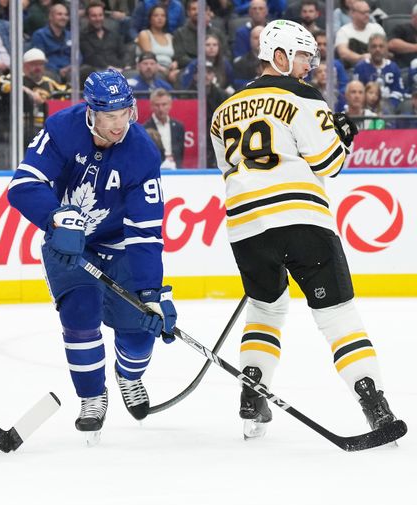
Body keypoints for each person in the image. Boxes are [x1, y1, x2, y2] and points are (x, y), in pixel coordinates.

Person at [209, 20, 399, 441]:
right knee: (337, 315)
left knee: (266, 310)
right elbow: (329, 162)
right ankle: (374, 403)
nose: (308, 66)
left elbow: (228, 167)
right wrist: (344, 137)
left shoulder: (222, 111)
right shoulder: (303, 97)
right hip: (301, 220)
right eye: (302, 56)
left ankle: (251, 395)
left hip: (245, 227)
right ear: (278, 55)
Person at [7, 70, 177, 441]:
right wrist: (56, 218)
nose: (120, 125)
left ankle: (129, 376)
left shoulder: (142, 152)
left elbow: (146, 232)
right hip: (70, 244)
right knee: (79, 312)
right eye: (110, 117)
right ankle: (92, 396)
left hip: (120, 245)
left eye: (125, 114)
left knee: (139, 330)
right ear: (91, 112)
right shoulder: (61, 129)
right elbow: (23, 185)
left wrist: (151, 293)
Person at [0, 48, 68, 138]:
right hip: (21, 127)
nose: (38, 67)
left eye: (40, 64)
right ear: (24, 65)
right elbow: (0, 83)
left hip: (46, 126)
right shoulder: (15, 77)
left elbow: (67, 92)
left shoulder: (49, 82)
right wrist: (29, 92)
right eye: (33, 64)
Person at [353, 34, 405, 112]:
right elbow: (356, 91)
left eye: (381, 46)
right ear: (369, 49)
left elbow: (399, 92)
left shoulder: (393, 68)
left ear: (386, 49)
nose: (377, 49)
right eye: (374, 46)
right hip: (365, 110)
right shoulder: (360, 68)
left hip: (389, 110)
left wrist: (389, 106)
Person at [172, 0, 228, 70]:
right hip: (190, 69)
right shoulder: (179, 33)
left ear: (206, 12)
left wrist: (211, 64)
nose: (197, 12)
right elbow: (180, 57)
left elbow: (226, 55)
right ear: (188, 13)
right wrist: (201, 64)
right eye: (193, 9)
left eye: (200, 9)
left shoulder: (218, 33)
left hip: (216, 68)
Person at [134, 5, 179, 82]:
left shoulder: (170, 37)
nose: (160, 18)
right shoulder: (144, 34)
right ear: (150, 19)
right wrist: (165, 71)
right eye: (156, 15)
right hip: (150, 69)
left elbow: (175, 57)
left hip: (168, 70)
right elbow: (150, 58)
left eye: (163, 16)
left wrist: (175, 63)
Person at [334, 1, 385, 69]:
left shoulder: (377, 28)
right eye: (363, 13)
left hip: (378, 67)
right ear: (352, 13)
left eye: (368, 12)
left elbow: (385, 48)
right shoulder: (343, 31)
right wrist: (361, 58)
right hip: (352, 69)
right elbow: (343, 53)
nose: (367, 15)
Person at [144, 88, 185, 168]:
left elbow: (180, 153)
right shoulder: (145, 129)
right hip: (155, 170)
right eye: (157, 105)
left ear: (170, 105)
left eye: (164, 104)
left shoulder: (179, 127)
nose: (161, 109)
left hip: (177, 171)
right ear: (151, 106)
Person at [80, 1, 127, 71]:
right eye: (94, 16)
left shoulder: (113, 34)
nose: (98, 19)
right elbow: (91, 57)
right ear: (88, 17)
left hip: (119, 70)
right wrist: (108, 68)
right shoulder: (83, 36)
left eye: (100, 15)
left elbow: (122, 53)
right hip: (97, 72)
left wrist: (125, 66)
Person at [30, 2, 72, 80]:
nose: (64, 17)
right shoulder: (39, 35)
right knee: (47, 75)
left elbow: (78, 56)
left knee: (87, 71)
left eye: (66, 15)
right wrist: (58, 70)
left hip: (70, 70)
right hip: (50, 71)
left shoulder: (70, 35)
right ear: (51, 17)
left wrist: (70, 67)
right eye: (59, 14)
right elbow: (39, 59)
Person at [233, 25, 264, 90]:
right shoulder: (240, 64)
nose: (259, 41)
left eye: (262, 37)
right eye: (256, 38)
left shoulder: (276, 62)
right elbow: (238, 85)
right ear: (250, 40)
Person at [387, 5, 417, 70]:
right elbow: (392, 44)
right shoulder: (401, 28)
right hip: (406, 68)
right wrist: (415, 47)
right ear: (413, 16)